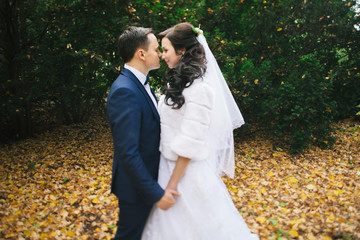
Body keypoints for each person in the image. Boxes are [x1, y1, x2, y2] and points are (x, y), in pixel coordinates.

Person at [141, 23, 259, 240]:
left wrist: (171, 187)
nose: (162, 55)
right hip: (166, 168)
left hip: (186, 176)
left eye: (166, 50)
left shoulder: (201, 90)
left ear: (182, 51)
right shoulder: (180, 85)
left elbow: (190, 141)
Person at [107, 26, 180, 240]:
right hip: (136, 190)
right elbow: (128, 153)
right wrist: (156, 194)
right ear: (141, 54)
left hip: (150, 180)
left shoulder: (139, 85)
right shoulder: (124, 91)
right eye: (156, 49)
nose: (160, 54)